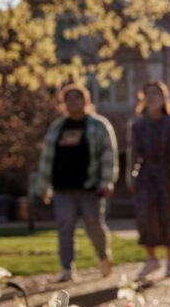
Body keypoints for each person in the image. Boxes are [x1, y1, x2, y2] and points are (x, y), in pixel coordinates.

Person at [37, 84, 118, 282]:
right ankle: (67, 268)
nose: (73, 102)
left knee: (94, 225)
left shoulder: (98, 125)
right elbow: (47, 158)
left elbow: (109, 154)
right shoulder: (57, 128)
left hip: (90, 186)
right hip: (62, 187)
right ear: (63, 104)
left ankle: (103, 256)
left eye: (77, 98)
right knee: (65, 227)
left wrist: (107, 181)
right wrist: (44, 185)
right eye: (69, 99)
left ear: (86, 101)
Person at [128, 80, 170, 279]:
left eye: (156, 93)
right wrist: (130, 176)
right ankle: (151, 259)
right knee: (146, 217)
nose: (152, 97)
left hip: (169, 174)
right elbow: (132, 153)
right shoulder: (138, 124)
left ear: (164, 97)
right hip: (146, 175)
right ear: (143, 98)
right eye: (148, 94)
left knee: (169, 216)